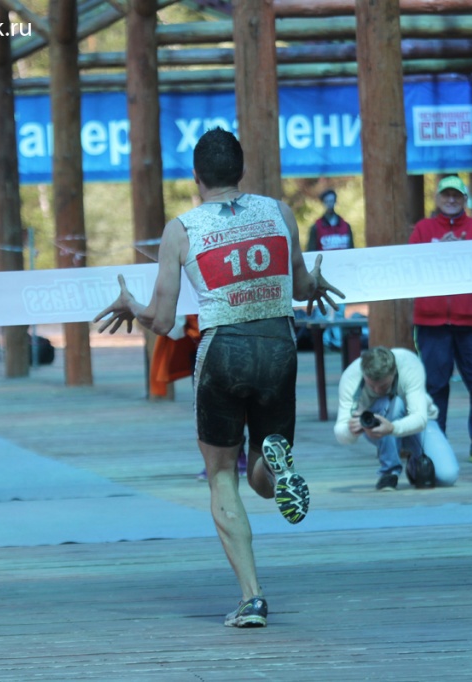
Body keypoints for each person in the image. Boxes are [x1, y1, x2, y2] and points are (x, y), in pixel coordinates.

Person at [94, 127, 343, 628]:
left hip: (222, 349)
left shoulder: (181, 229)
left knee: (222, 474)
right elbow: (300, 287)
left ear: (196, 176)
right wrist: (314, 282)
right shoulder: (280, 213)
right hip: (278, 344)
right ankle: (276, 464)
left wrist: (131, 305)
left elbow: (162, 320)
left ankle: (252, 598)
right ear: (241, 170)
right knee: (264, 474)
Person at [410, 175, 472, 464]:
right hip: (431, 322)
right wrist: (438, 252)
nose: (451, 200)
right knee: (435, 385)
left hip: (471, 321)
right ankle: (438, 446)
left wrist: (460, 250)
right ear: (437, 198)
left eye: (457, 195)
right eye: (446, 195)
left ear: (465, 199)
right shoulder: (423, 229)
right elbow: (410, 268)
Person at [334, 347, 458, 490]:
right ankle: (389, 473)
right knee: (387, 403)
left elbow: (420, 418)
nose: (377, 390)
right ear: (363, 374)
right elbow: (340, 431)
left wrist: (392, 428)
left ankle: (414, 462)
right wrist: (351, 430)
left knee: (447, 476)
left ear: (394, 372)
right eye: (371, 386)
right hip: (377, 427)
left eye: (383, 386)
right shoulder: (351, 376)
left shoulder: (408, 364)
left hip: (416, 425)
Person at [305, 188, 355, 350]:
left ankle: (338, 341)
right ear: (323, 203)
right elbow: (311, 251)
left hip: (342, 274)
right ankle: (324, 342)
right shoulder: (316, 227)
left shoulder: (345, 226)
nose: (330, 204)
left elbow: (352, 251)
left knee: (340, 306)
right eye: (327, 201)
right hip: (323, 275)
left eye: (332, 201)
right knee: (323, 309)